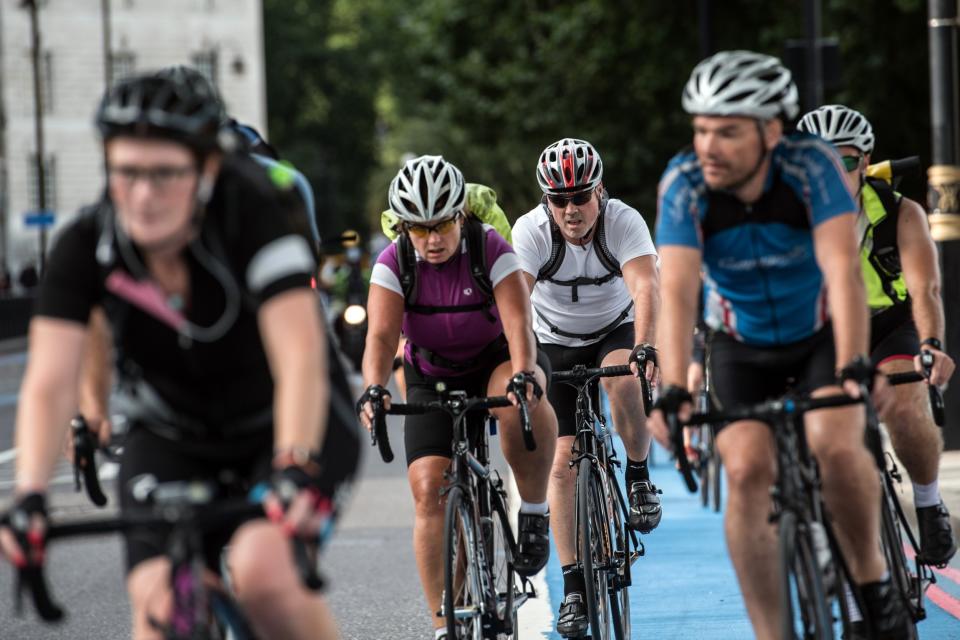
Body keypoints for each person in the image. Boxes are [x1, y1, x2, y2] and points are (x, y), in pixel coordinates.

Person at [0, 73, 360, 640]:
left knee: (266, 574)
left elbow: (300, 357)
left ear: (207, 169)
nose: (144, 194)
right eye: (126, 172)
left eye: (165, 173)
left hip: (282, 423)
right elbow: (48, 379)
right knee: (160, 606)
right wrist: (30, 496)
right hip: (172, 433)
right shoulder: (86, 243)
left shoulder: (256, 214)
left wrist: (293, 464)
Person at [649, 50, 913, 639]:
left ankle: (873, 585)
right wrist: (672, 387)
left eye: (727, 132)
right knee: (743, 470)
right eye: (700, 129)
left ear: (771, 130)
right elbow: (681, 289)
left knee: (836, 445)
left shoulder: (810, 169)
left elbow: (842, 270)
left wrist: (853, 361)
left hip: (817, 335)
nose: (708, 146)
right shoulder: (685, 184)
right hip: (739, 344)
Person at [356, 155, 558, 639]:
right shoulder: (393, 263)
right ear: (403, 228)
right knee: (429, 489)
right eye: (419, 229)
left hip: (499, 359)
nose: (432, 239)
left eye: (442, 224)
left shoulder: (491, 249)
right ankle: (444, 624)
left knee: (518, 403)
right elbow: (381, 340)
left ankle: (533, 511)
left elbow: (517, 325)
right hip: (432, 373)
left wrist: (524, 373)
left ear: (461, 216)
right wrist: (375, 387)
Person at [511, 137, 660, 638]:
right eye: (559, 200)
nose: (571, 210)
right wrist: (520, 365)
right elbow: (516, 301)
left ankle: (638, 476)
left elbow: (645, 286)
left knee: (623, 383)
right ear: (545, 201)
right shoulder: (531, 232)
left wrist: (645, 349)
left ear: (600, 191)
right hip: (554, 340)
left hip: (614, 330)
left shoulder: (623, 221)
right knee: (560, 462)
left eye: (580, 197)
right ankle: (574, 588)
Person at [798, 104, 956, 567]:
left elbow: (925, 288)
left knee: (907, 406)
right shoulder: (787, 218)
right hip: (822, 330)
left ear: (864, 163)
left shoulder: (899, 213)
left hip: (890, 324)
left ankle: (928, 502)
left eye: (843, 161)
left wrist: (931, 346)